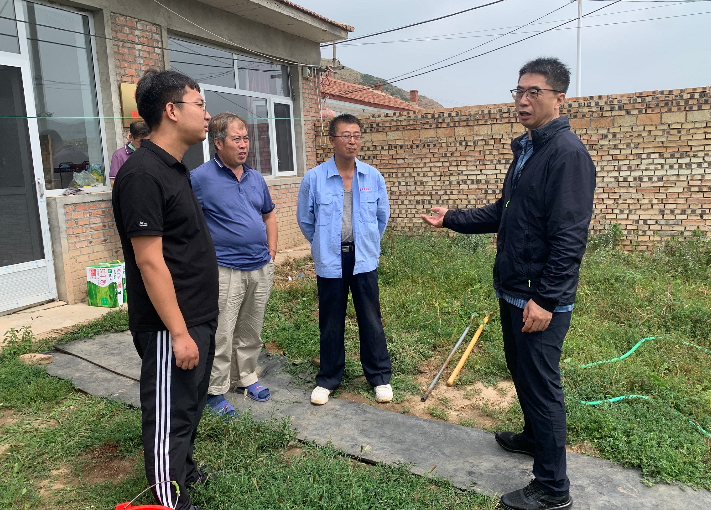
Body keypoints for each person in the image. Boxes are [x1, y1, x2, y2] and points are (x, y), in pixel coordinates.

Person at [421, 58, 595, 510]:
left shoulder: (567, 154)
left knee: (542, 384)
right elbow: (505, 211)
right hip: (515, 288)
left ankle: (552, 488)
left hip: (538, 296)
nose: (522, 100)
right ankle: (535, 438)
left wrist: (546, 299)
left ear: (559, 99)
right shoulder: (529, 150)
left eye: (534, 92)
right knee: (522, 373)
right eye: (519, 91)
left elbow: (570, 237)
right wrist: (452, 218)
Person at [112, 69, 216, 510]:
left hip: (197, 313)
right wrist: (178, 332)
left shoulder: (174, 168)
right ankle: (166, 499)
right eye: (200, 104)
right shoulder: (142, 174)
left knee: (188, 404)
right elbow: (150, 261)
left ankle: (183, 472)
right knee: (168, 414)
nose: (207, 115)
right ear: (172, 111)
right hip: (169, 324)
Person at [297, 113, 393, 406]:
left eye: (356, 135)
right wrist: (323, 245)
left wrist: (368, 243)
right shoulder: (315, 178)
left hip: (363, 258)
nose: (352, 141)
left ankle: (379, 377)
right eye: (346, 135)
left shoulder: (373, 177)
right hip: (330, 259)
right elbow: (306, 221)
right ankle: (328, 379)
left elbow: (381, 217)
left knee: (371, 319)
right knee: (331, 320)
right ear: (332, 140)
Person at [191, 112, 277, 413]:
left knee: (251, 329)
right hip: (224, 268)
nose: (243, 145)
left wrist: (272, 250)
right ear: (218, 143)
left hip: (260, 266)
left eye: (246, 138)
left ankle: (246, 377)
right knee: (223, 332)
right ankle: (215, 390)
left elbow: (268, 214)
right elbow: (189, 223)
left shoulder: (255, 177)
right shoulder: (200, 178)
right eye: (236, 139)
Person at [109, 120, 151, 185]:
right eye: (140, 142)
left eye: (148, 141)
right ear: (130, 137)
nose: (144, 144)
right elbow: (113, 182)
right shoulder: (119, 156)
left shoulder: (151, 153)